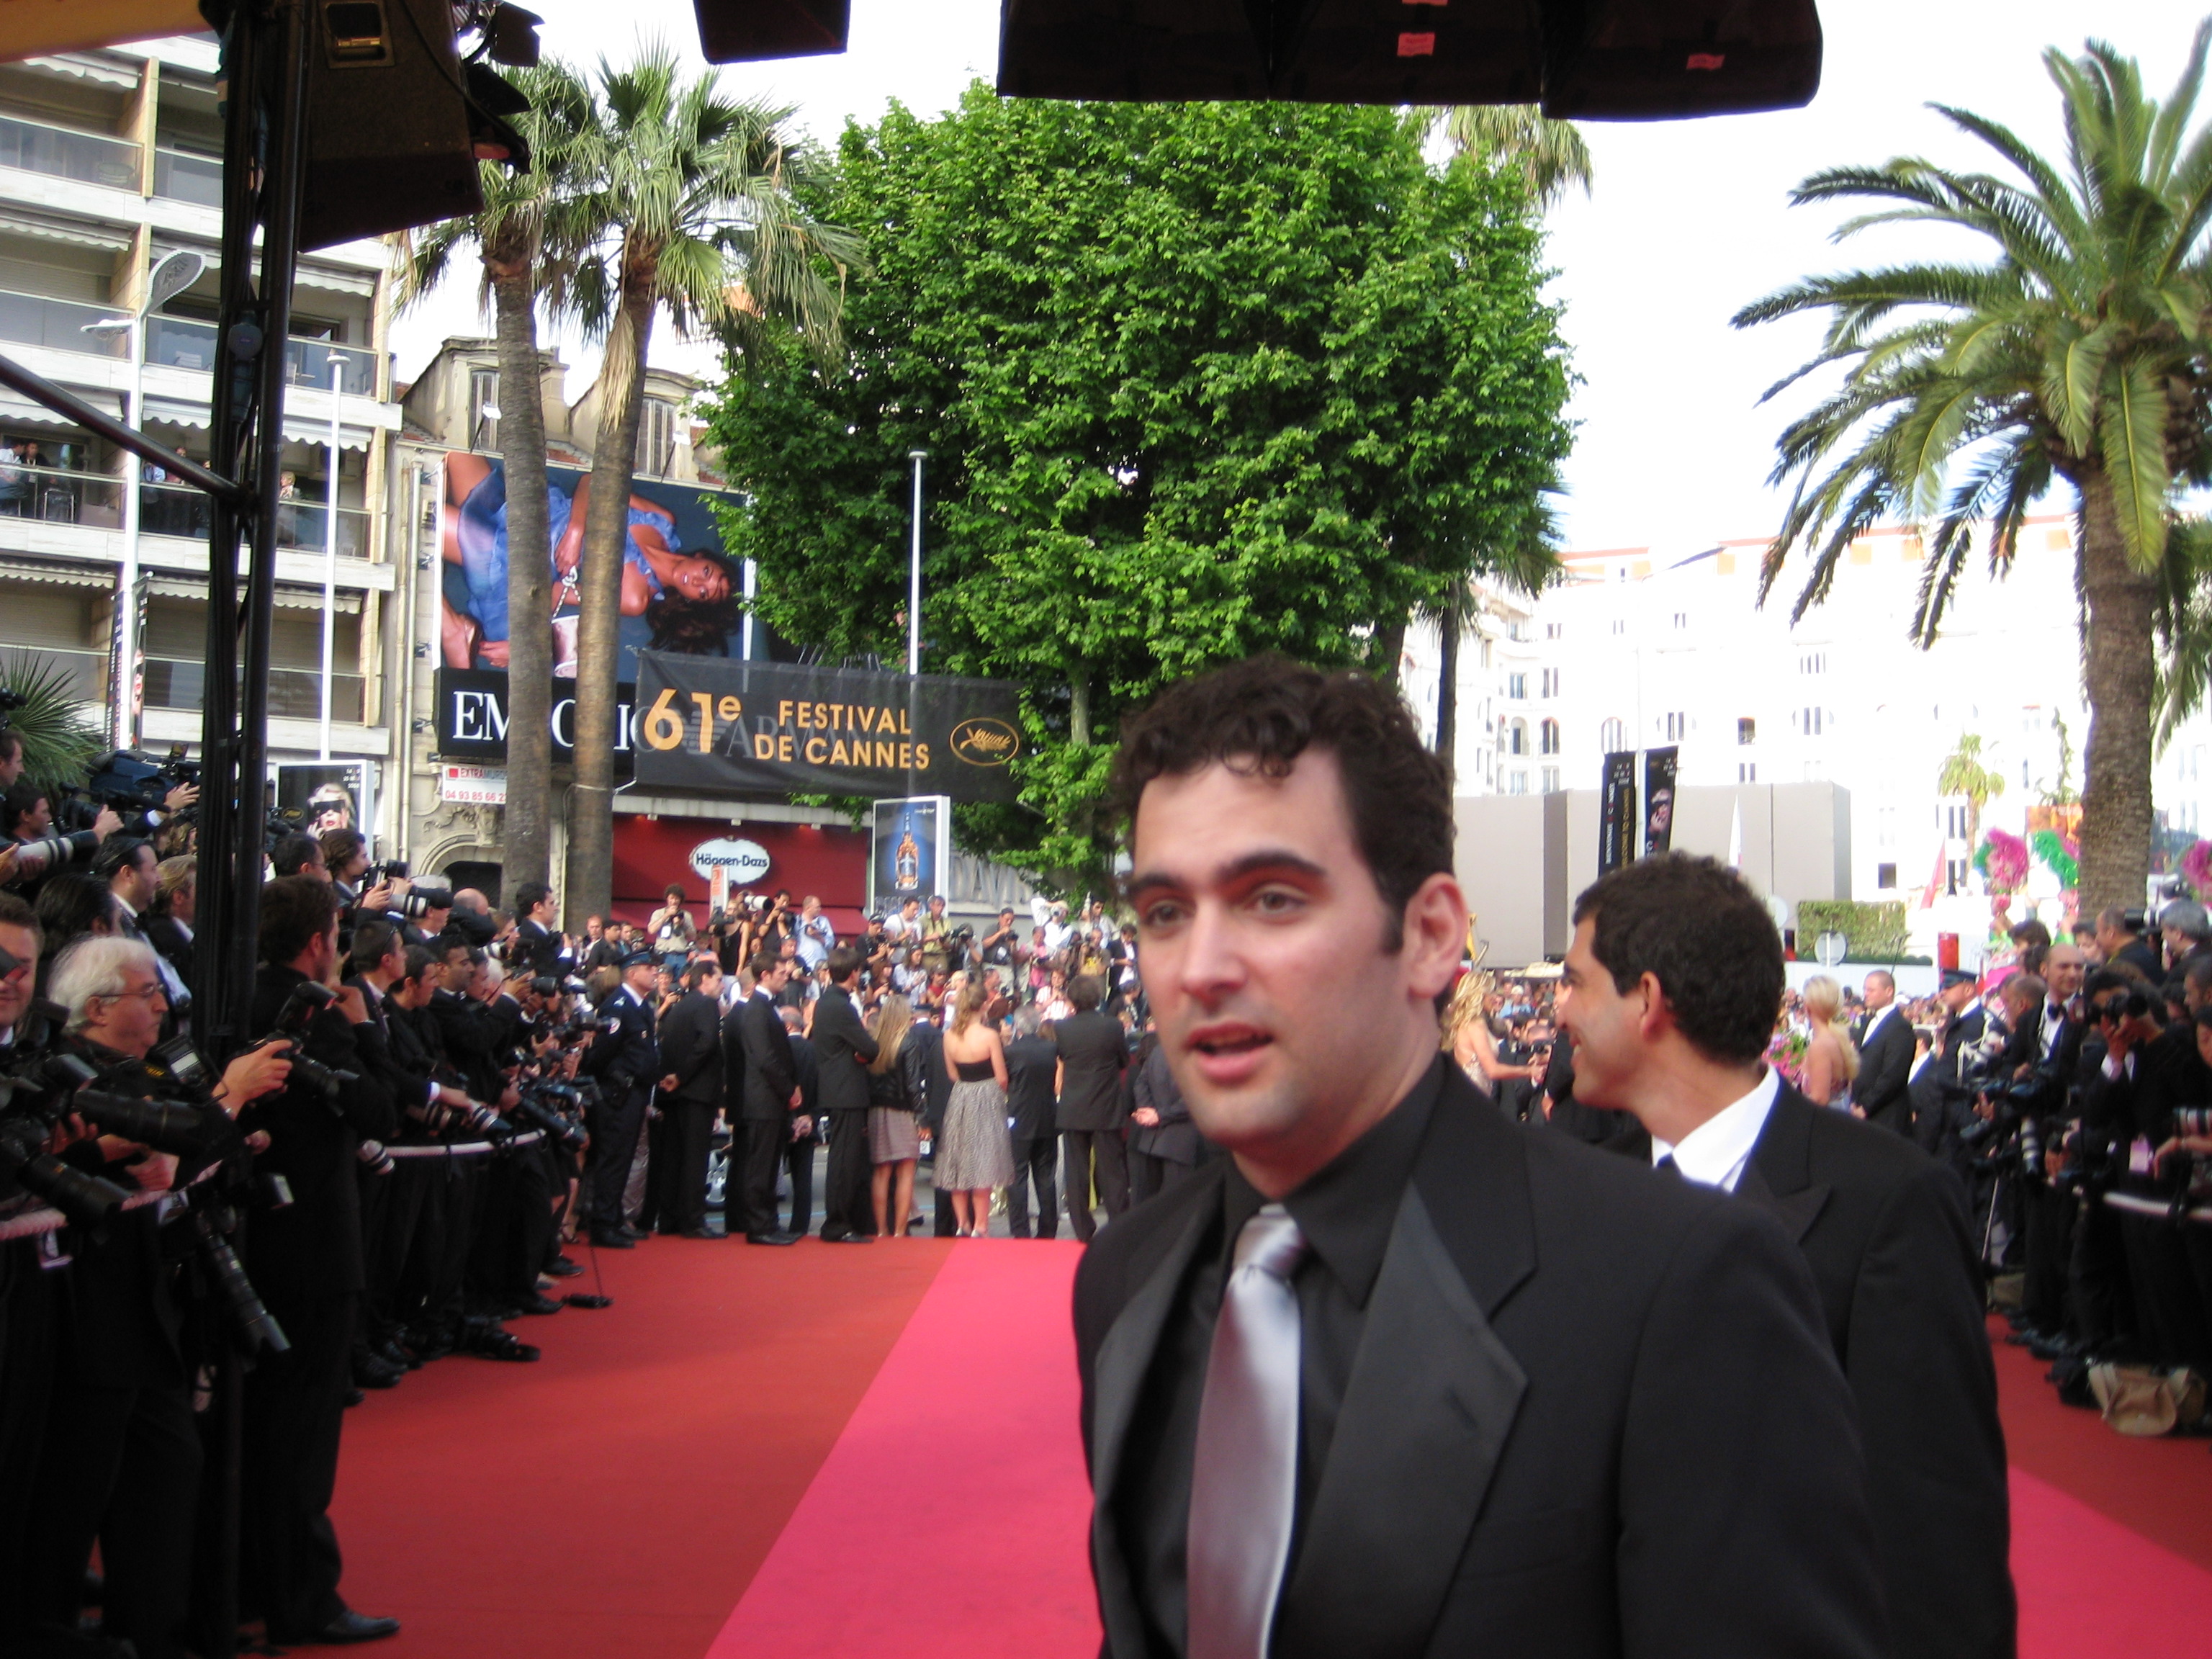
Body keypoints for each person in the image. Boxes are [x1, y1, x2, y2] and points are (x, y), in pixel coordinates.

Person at [1076, 656, 1886, 1659]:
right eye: (1163, 914)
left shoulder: (1680, 1286)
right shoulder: (1127, 1279)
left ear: (1428, 936)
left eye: (1272, 898)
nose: (1198, 968)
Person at [1557, 853, 2014, 1659]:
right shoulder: (1581, 1184)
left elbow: (1935, 1539)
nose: (1559, 1010)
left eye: (1575, 982)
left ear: (1648, 1001)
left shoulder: (1887, 1202)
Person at [241, 876, 402, 1646]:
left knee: (255, 1425)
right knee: (301, 1435)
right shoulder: (319, 1013)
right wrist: (360, 1020)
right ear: (318, 941)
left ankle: (246, 1580)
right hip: (312, 1247)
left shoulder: (236, 997)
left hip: (251, 1240)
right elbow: (378, 1109)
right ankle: (303, 1596)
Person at [579, 950, 660, 1249]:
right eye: (648, 968)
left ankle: (613, 1218)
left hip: (636, 1093)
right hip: (618, 1095)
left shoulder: (641, 1007)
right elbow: (600, 1055)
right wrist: (618, 1081)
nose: (654, 973)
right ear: (631, 973)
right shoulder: (619, 1006)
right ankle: (602, 1225)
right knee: (612, 1159)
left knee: (624, 1159)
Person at [733, 949, 806, 1245]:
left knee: (770, 1164)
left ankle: (769, 1222)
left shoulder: (768, 1007)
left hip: (772, 1099)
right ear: (765, 975)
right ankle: (759, 1226)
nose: (786, 976)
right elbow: (765, 1058)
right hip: (764, 1099)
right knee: (761, 1166)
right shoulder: (756, 1009)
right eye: (780, 973)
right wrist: (789, 1090)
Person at [810, 944, 880, 1241]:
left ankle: (844, 1221)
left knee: (845, 1158)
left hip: (836, 1087)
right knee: (844, 1161)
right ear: (853, 973)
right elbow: (870, 1048)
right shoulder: (841, 1006)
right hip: (846, 1091)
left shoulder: (826, 1001)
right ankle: (837, 1223)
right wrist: (863, 1045)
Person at [653, 958, 725, 1238]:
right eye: (718, 980)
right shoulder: (706, 1004)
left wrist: (673, 1078)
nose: (721, 986)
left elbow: (668, 1045)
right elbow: (707, 1042)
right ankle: (693, 1220)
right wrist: (682, 1076)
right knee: (695, 1158)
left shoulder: (678, 1007)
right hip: (695, 1091)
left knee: (674, 1158)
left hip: (675, 1094)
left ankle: (669, 1218)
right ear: (704, 979)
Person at [1054, 973, 1128, 1241]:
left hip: (1074, 1107)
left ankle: (1083, 1229)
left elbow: (1062, 1058)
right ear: (1098, 998)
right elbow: (1122, 1060)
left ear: (1072, 999)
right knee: (1113, 1172)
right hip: (1105, 1106)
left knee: (1076, 1172)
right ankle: (1119, 1226)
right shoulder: (1112, 1027)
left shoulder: (1062, 1028)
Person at [938, 976, 1012, 1236]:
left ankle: (962, 1223)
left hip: (961, 1095)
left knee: (957, 1161)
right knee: (984, 1160)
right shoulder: (990, 1035)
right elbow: (1002, 1077)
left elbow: (951, 1074)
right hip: (987, 1095)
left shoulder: (948, 1036)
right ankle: (980, 1225)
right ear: (983, 1006)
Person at [865, 994, 922, 1236]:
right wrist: (921, 1115)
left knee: (881, 1171)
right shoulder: (908, 1042)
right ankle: (899, 1231)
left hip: (877, 1110)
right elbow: (912, 1085)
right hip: (901, 1110)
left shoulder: (874, 1041)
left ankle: (881, 1230)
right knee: (906, 1171)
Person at [1003, 1003, 1061, 1238]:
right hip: (1047, 1117)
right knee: (1045, 1176)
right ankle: (1048, 1228)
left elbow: (1003, 1082)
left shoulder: (1011, 1051)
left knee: (1017, 1176)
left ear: (1017, 1025)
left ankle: (1020, 1229)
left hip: (1019, 1118)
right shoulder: (1051, 1049)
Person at [1127, 1022, 1201, 1202]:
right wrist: (1155, 1114)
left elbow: (1141, 1083)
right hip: (1180, 1141)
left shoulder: (1159, 1052)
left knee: (1150, 1203)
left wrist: (1150, 1112)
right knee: (1177, 1203)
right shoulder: (1196, 1058)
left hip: (1152, 1139)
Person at [1849, 968, 1915, 1133]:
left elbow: (1893, 1075)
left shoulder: (1900, 1027)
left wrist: (1866, 1107)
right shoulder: (1867, 1023)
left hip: (1886, 1116)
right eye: (1865, 989)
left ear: (1889, 991)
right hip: (1859, 1110)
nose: (1866, 994)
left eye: (1871, 990)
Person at [1798, 974, 1861, 1108]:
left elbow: (1820, 1099)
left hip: (1825, 1122)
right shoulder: (1837, 1037)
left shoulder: (1821, 1045)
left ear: (1808, 1006)